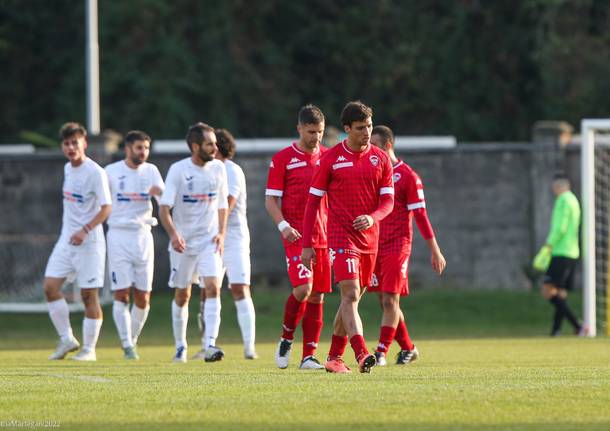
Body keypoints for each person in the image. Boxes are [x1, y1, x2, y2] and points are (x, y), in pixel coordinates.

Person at [302, 101, 394, 374]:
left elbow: (388, 202)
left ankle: (333, 357)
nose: (366, 132)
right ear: (347, 129)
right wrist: (307, 245)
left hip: (370, 240)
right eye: (360, 128)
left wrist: (372, 217)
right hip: (341, 238)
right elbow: (312, 204)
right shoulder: (330, 159)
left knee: (349, 301)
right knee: (350, 294)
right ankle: (362, 353)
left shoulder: (380, 158)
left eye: (368, 126)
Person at [369, 125, 446, 366]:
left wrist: (435, 249)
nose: (371, 149)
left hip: (398, 245)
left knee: (391, 300)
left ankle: (380, 352)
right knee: (384, 301)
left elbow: (421, 215)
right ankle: (409, 348)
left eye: (375, 144)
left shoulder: (408, 176)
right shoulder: (373, 174)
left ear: (388, 145)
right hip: (375, 246)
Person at [265, 104, 330, 370]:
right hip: (295, 236)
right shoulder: (283, 159)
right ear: (299, 129)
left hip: (324, 236)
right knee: (304, 289)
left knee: (318, 297)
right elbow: (271, 200)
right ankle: (286, 338)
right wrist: (283, 226)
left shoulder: (327, 157)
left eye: (320, 132)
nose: (316, 137)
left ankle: (308, 356)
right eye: (311, 131)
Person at [159, 122, 228, 363]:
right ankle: (180, 346)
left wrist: (221, 233)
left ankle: (209, 344)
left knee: (213, 287)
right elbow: (164, 208)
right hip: (184, 244)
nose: (215, 148)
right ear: (196, 146)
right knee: (183, 295)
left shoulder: (219, 169)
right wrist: (174, 235)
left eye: (215, 143)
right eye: (210, 144)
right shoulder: (178, 170)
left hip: (209, 241)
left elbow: (222, 205)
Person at [44, 122, 112, 361]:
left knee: (88, 296)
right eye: (67, 143)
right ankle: (66, 339)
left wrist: (85, 229)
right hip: (66, 241)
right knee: (50, 287)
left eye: (75, 142)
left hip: (89, 243)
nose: (71, 147)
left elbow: (106, 208)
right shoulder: (67, 169)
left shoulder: (95, 173)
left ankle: (89, 350)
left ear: (84, 143)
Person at [194, 128, 257, 360]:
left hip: (234, 236)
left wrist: (217, 226)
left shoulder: (232, 170)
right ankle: (207, 344)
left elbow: (227, 203)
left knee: (240, 288)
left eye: (211, 145)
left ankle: (249, 347)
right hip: (211, 237)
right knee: (208, 289)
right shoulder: (205, 170)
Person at [105, 130, 165, 360]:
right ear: (128, 148)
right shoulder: (111, 172)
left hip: (143, 235)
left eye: (146, 148)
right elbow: (99, 199)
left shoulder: (151, 171)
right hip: (119, 235)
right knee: (122, 293)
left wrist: (160, 193)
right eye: (139, 148)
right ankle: (127, 345)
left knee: (143, 296)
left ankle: (131, 339)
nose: (143, 152)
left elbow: (165, 201)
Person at [534, 172, 583, 336]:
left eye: (553, 186)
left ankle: (578, 326)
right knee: (561, 293)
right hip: (573, 251)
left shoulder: (562, 200)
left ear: (558, 186)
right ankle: (556, 331)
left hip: (561, 251)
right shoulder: (574, 200)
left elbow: (560, 227)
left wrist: (548, 246)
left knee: (547, 290)